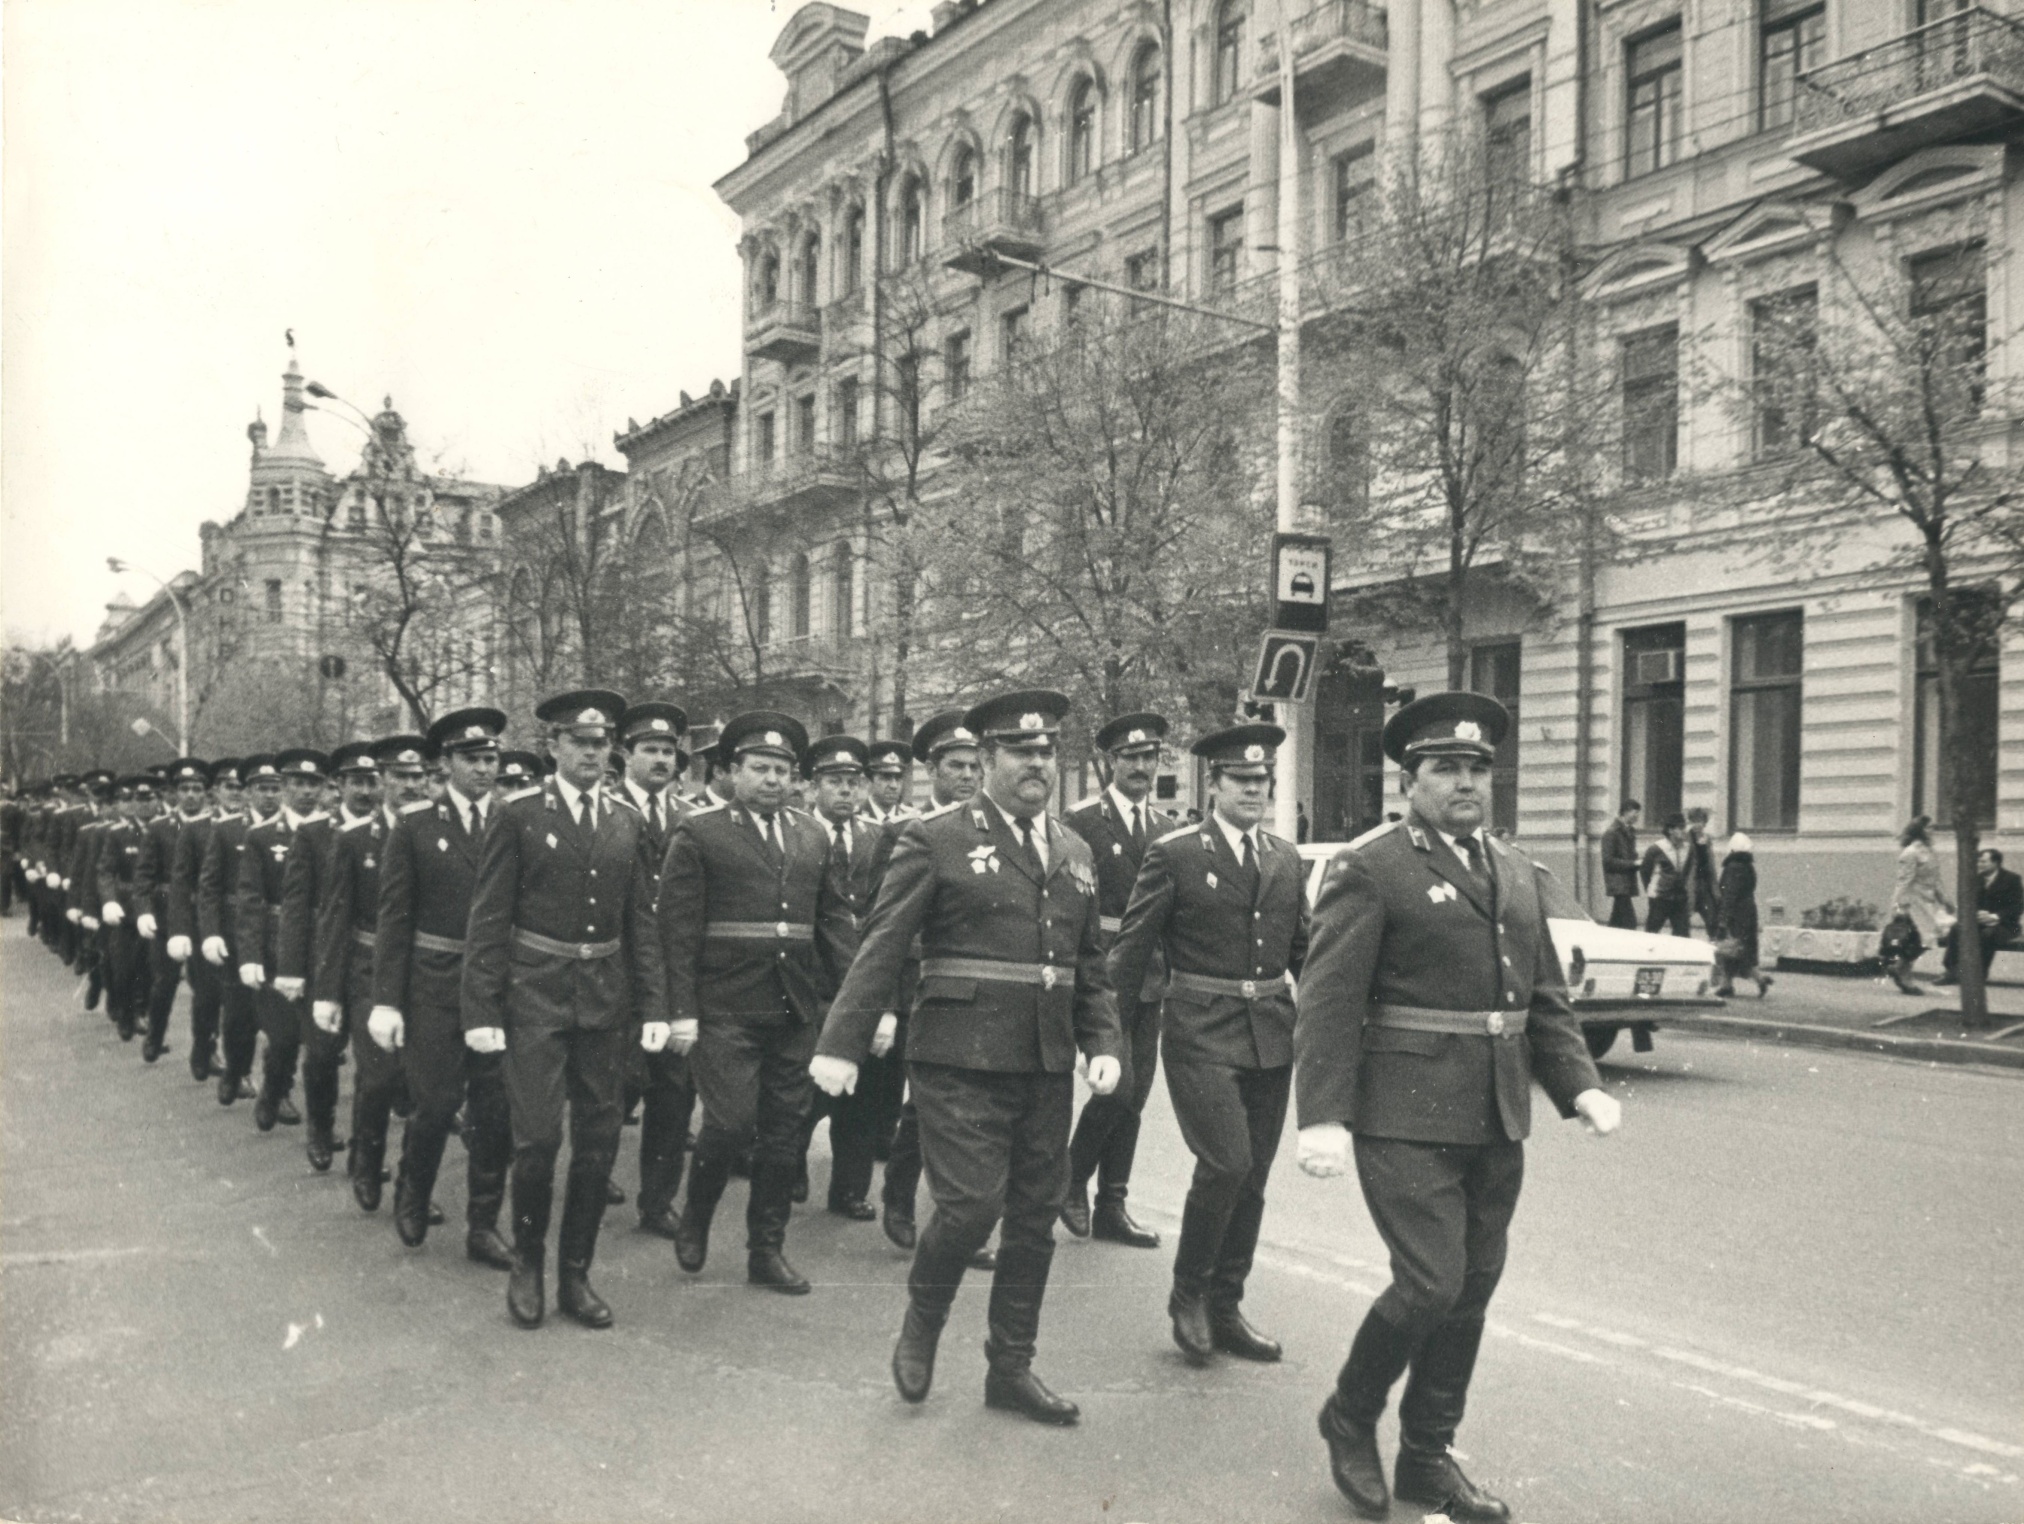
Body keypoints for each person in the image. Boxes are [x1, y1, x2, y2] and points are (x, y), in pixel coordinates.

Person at [1294, 690, 1621, 1523]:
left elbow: (1541, 996)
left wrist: (1578, 1083)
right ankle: (1350, 1414)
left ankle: (1428, 1459)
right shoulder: (1373, 866)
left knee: (1473, 1288)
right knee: (1431, 1283)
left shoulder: (1513, 869)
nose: (1466, 782)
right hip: (1402, 1111)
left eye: (1478, 768)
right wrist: (1322, 1116)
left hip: (1495, 1112)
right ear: (1412, 780)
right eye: (1447, 768)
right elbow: (1330, 999)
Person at [813, 690, 1124, 1426]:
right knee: (970, 1205)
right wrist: (841, 1043)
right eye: (1021, 752)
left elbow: (1089, 964)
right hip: (958, 1056)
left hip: (1044, 1061)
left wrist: (1103, 1040)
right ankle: (922, 1324)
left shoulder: (1074, 852)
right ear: (985, 760)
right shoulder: (936, 837)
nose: (1037, 765)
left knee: (1034, 1215)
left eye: (1047, 752)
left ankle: (1010, 1366)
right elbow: (883, 944)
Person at [463, 690, 665, 1330]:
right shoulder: (517, 813)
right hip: (535, 996)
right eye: (579, 743)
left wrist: (655, 1004)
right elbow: (489, 919)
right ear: (553, 747)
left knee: (600, 1144)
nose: (592, 754)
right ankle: (528, 1264)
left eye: (601, 743)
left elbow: (640, 924)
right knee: (539, 1139)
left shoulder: (626, 821)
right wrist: (481, 1011)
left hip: (604, 1000)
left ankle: (576, 1274)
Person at [1108, 722, 1308, 1366]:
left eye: (1262, 781)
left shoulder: (1283, 857)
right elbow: (1131, 951)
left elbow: (1305, 951)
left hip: (1270, 1032)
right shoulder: (1176, 853)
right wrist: (1106, 1037)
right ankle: (1187, 1295)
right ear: (1213, 785)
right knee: (1224, 1162)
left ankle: (1226, 1304)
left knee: (1251, 1176)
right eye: (1241, 781)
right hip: (1199, 1029)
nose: (1255, 791)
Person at [658, 712, 857, 1295]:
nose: (772, 780)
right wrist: (680, 1010)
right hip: (724, 1007)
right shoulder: (701, 832)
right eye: (760, 768)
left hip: (793, 1008)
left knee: (784, 1133)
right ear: (732, 772)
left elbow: (832, 923)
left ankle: (765, 1249)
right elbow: (676, 929)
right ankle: (695, 1215)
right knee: (728, 1123)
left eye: (782, 770)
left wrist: (851, 1001)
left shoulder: (811, 834)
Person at [371, 707, 514, 1266]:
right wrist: (386, 1000)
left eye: (490, 758)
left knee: (494, 1111)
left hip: (497, 989)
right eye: (472, 759)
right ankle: (413, 1189)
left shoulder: (514, 820)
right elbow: (394, 919)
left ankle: (483, 1224)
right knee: (434, 1104)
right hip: (434, 984)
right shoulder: (416, 827)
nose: (484, 768)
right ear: (446, 764)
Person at [874, 710, 987, 1261]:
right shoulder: (901, 832)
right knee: (928, 1103)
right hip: (919, 984)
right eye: (956, 766)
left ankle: (960, 1222)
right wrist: (887, 1004)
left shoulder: (991, 830)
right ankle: (900, 1196)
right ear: (932, 771)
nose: (967, 776)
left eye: (975, 766)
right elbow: (885, 925)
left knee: (970, 1106)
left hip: (973, 987)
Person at [1059, 711, 1173, 1250]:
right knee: (1117, 1085)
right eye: (1131, 757)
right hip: (1101, 970)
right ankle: (1071, 1175)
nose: (1141, 767)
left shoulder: (1167, 829)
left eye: (1149, 757)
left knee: (1137, 1095)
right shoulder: (1081, 820)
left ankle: (1113, 1204)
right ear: (1112, 761)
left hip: (1150, 973)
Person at [316, 737, 420, 1211]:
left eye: (418, 776)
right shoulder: (355, 841)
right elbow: (336, 919)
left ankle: (413, 1186)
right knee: (377, 1078)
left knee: (420, 1086)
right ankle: (365, 1159)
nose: (410, 785)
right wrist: (327, 992)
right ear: (383, 783)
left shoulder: (436, 834)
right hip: (368, 971)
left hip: (422, 974)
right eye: (400, 776)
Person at [608, 700, 693, 1239]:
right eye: (651, 750)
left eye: (669, 751)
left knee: (675, 1092)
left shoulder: (691, 816)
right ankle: (595, 1176)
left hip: (676, 970)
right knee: (611, 1088)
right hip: (617, 973)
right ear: (626, 755)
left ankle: (657, 1200)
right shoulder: (608, 809)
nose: (661, 759)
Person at [793, 733, 887, 1220]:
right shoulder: (796, 833)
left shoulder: (877, 838)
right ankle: (791, 1165)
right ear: (812, 788)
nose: (846, 792)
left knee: (864, 1093)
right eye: (834, 782)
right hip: (808, 980)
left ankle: (850, 1189)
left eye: (854, 782)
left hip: (861, 976)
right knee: (807, 1086)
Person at [277, 747, 366, 1171]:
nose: (365, 790)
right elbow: (295, 905)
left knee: (376, 1061)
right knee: (322, 1054)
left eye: (372, 781)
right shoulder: (314, 833)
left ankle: (368, 1150)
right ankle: (320, 1126)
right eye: (355, 782)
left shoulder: (392, 830)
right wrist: (291, 968)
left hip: (370, 960)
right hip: (324, 961)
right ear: (340, 787)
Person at [236, 750, 328, 1136]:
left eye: (314, 784)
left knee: (323, 1040)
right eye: (298, 784)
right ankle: (274, 1090)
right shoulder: (260, 837)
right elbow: (250, 899)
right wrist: (251, 954)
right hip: (277, 947)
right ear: (286, 788)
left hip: (323, 946)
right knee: (286, 1034)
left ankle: (323, 1121)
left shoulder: (335, 833)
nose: (306, 792)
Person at [200, 756, 276, 1106]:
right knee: (239, 1015)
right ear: (248, 793)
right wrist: (212, 932)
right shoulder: (228, 829)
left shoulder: (294, 830)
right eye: (262, 789)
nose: (270, 796)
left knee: (278, 1018)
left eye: (276, 788)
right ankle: (236, 1071)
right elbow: (211, 887)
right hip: (236, 934)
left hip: (278, 935)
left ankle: (278, 1090)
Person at [136, 759, 212, 1068]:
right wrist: (143, 911)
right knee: (165, 983)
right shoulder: (159, 829)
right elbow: (143, 876)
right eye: (185, 789)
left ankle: (205, 1048)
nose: (192, 795)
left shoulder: (215, 827)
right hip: (167, 916)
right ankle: (155, 1034)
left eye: (197, 789)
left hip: (204, 917)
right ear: (175, 793)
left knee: (207, 989)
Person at [168, 758, 238, 1081]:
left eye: (240, 787)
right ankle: (204, 1046)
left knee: (238, 998)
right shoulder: (196, 829)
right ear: (216, 792)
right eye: (228, 787)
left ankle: (237, 1063)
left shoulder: (252, 828)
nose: (235, 793)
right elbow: (182, 884)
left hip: (241, 923)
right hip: (204, 922)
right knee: (208, 993)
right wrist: (181, 929)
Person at [1938, 848, 2023, 986]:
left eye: (1983, 861)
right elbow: (1968, 902)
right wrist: (1975, 914)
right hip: (1978, 922)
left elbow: (2017, 907)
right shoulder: (1976, 879)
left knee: (1987, 935)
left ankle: (1979, 975)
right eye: (1978, 861)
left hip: (2005, 925)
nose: (1979, 864)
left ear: (1996, 863)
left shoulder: (2012, 879)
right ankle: (1951, 971)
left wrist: (1995, 916)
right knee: (1956, 929)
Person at [1890, 816, 1951, 979]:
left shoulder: (1929, 851)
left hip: (1928, 900)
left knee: (1928, 936)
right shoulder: (1910, 852)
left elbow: (1936, 879)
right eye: (1929, 828)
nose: (1933, 831)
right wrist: (1897, 905)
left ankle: (1901, 967)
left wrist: (1944, 899)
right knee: (1922, 936)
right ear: (1920, 830)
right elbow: (1903, 881)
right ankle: (1903, 969)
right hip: (1914, 901)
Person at [1710, 833, 1770, 998]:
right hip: (1749, 912)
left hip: (1736, 914)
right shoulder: (1748, 866)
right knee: (1740, 950)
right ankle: (1728, 984)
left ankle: (1756, 980)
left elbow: (1729, 895)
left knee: (1731, 949)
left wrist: (1722, 920)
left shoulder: (1733, 867)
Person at [1638, 813, 1692, 937]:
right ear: (1670, 830)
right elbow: (1645, 871)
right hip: (1660, 897)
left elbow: (1687, 870)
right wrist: (1651, 889)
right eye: (1680, 828)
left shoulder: (1688, 848)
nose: (1684, 831)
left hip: (1679, 897)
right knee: (1652, 933)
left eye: (1684, 827)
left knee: (1683, 934)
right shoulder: (1656, 848)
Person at [1601, 800, 1641, 930]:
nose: (1637, 817)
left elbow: (1628, 855)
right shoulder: (1612, 832)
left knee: (1616, 923)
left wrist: (1637, 861)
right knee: (1630, 923)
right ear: (1626, 812)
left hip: (1625, 883)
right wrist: (1633, 863)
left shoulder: (1629, 831)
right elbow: (1608, 862)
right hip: (1618, 883)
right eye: (1635, 813)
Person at [1683, 806, 1719, 933]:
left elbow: (1710, 864)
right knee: (1684, 919)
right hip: (1689, 884)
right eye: (1694, 821)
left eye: (1700, 821)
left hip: (1704, 883)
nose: (1697, 825)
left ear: (1705, 823)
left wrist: (1715, 886)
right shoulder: (1686, 838)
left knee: (1712, 918)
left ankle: (1713, 941)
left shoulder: (1707, 839)